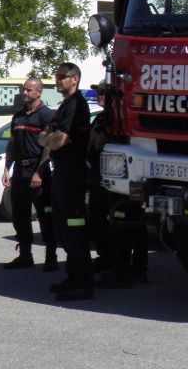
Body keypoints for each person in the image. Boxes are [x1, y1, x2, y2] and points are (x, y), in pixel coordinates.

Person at [42, 62, 93, 301]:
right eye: (56, 76)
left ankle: (83, 283)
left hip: (73, 172)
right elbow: (44, 136)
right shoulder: (64, 106)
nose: (57, 80)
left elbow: (57, 140)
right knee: (63, 226)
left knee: (75, 227)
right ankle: (72, 277)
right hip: (61, 170)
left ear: (75, 79)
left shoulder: (76, 105)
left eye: (62, 76)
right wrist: (48, 138)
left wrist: (48, 138)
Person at [1, 78, 57, 271]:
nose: (25, 93)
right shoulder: (18, 116)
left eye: (28, 90)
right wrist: (7, 168)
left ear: (39, 92)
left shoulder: (46, 116)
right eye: (23, 90)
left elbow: (48, 147)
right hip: (20, 171)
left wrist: (39, 172)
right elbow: (12, 143)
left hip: (37, 170)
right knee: (20, 214)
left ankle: (51, 257)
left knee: (45, 215)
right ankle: (25, 255)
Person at [86, 80, 112, 277]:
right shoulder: (100, 118)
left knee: (116, 221)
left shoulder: (116, 119)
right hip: (96, 172)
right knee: (98, 218)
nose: (99, 95)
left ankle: (131, 265)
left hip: (111, 175)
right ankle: (104, 257)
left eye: (103, 92)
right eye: (98, 92)